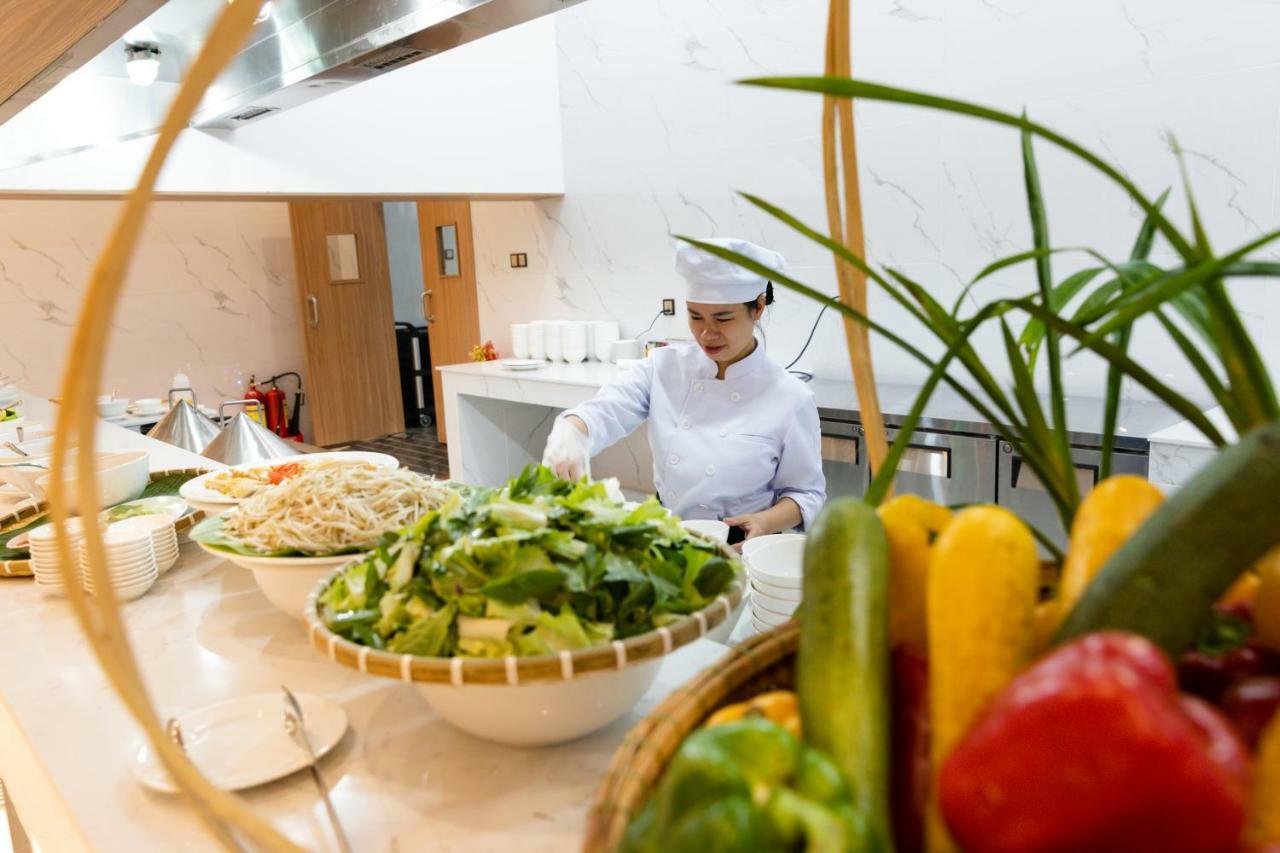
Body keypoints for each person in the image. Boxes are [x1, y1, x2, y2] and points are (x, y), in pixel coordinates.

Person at [541, 238, 826, 545]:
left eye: (723, 318)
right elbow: (606, 410)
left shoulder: (790, 397)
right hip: (668, 538)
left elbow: (805, 493)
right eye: (695, 316)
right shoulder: (663, 367)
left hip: (742, 547)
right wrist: (572, 431)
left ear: (757, 307)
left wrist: (764, 521)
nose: (706, 333)